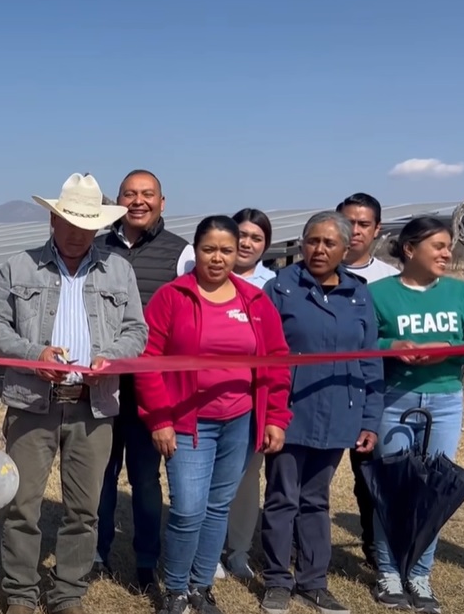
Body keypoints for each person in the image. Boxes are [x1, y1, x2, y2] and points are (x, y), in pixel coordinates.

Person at [0, 173, 147, 614]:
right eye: (69, 222)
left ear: (98, 225)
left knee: (84, 510)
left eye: (87, 224)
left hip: (94, 408)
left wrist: (110, 358)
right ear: (53, 220)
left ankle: (68, 593)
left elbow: (137, 330)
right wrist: (34, 353)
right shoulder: (18, 266)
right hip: (31, 403)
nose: (77, 233)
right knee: (22, 505)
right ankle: (20, 592)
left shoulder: (119, 270)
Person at [135, 215, 291, 614]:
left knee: (218, 507)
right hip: (188, 422)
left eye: (226, 250)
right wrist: (160, 419)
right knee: (188, 508)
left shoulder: (254, 300)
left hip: (239, 420)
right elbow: (149, 362)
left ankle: (201, 586)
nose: (218, 258)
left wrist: (275, 417)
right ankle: (174, 589)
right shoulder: (172, 297)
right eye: (209, 249)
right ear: (196, 252)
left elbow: (275, 361)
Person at [258, 212, 383, 614]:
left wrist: (369, 419)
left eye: (330, 243)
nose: (320, 249)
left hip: (339, 412)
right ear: (302, 243)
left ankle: (313, 582)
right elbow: (264, 356)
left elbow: (370, 361)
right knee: (281, 498)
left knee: (316, 500)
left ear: (346, 250)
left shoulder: (360, 295)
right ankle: (277, 579)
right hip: (290, 412)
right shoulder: (281, 289)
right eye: (313, 241)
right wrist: (270, 413)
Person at [367, 217, 464, 613]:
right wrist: (391, 344)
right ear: (409, 249)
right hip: (395, 398)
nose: (446, 253)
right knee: (393, 485)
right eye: (438, 245)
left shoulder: (458, 293)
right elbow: (363, 341)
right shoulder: (378, 293)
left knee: (435, 489)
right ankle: (389, 572)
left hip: (445, 400)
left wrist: (447, 349)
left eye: (449, 245)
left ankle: (420, 575)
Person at [96, 169, 194, 591]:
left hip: (150, 387)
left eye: (147, 194)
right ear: (117, 201)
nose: (138, 201)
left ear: (162, 201)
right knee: (98, 472)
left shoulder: (181, 252)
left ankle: (145, 562)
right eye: (129, 194)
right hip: (99, 383)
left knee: (144, 477)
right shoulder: (96, 246)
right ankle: (96, 556)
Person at [335, 192, 399, 569]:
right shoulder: (313, 272)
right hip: (320, 392)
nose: (354, 231)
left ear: (377, 230)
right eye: (348, 222)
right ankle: (296, 546)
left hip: (371, 394)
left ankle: (375, 545)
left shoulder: (390, 281)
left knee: (369, 477)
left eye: (363, 224)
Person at [220, 206, 277, 580]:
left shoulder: (273, 285)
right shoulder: (202, 276)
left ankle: (237, 549)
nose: (247, 243)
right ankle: (206, 549)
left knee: (245, 477)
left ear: (265, 245)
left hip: (254, 397)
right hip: (209, 400)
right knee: (210, 478)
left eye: (257, 238)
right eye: (241, 235)